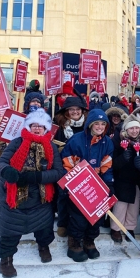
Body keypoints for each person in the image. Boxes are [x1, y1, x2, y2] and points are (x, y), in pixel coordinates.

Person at [0, 108, 63, 278]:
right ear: (28, 126)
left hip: (40, 196)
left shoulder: (51, 146)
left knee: (44, 228)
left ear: (46, 128)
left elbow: (58, 172)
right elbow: (0, 163)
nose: (37, 128)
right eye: (33, 125)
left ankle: (43, 247)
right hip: (14, 196)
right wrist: (8, 172)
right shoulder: (16, 143)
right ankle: (6, 260)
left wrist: (37, 176)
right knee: (10, 230)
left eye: (41, 126)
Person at [61, 109, 114, 262]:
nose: (99, 126)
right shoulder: (76, 140)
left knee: (96, 216)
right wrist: (70, 184)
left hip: (96, 186)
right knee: (78, 218)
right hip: (78, 185)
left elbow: (107, 165)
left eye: (103, 123)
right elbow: (67, 163)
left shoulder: (107, 142)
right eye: (96, 123)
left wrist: (109, 183)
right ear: (90, 124)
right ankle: (74, 244)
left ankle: (89, 241)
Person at [53, 96, 89, 237]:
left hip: (83, 166)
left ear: (82, 110)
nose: (75, 112)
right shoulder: (58, 127)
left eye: (77, 109)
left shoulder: (87, 125)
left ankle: (79, 223)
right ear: (66, 112)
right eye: (71, 109)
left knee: (81, 196)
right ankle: (62, 223)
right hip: (64, 166)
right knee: (63, 195)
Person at [110, 114, 140, 243]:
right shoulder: (118, 141)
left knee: (134, 205)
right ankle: (116, 228)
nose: (134, 131)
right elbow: (112, 163)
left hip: (136, 179)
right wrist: (123, 158)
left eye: (136, 128)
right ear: (126, 130)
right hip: (122, 179)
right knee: (120, 205)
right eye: (131, 128)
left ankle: (130, 227)